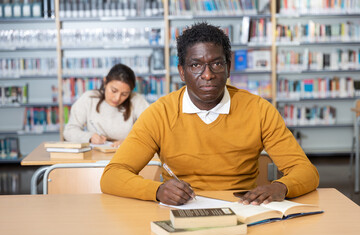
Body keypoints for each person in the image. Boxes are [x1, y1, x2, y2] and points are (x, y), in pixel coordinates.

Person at [100, 22, 319, 205]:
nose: (207, 75)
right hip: (179, 210)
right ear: (182, 72)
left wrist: (281, 187)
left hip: (242, 208)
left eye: (216, 64)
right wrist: (157, 191)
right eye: (196, 65)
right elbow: (112, 176)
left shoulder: (259, 110)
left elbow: (306, 172)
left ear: (228, 67)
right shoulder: (160, 113)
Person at [63, 63, 149, 147]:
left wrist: (132, 140)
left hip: (126, 155)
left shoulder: (137, 101)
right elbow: (69, 131)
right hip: (95, 156)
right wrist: (89, 137)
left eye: (124, 94)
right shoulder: (89, 99)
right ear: (105, 82)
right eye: (114, 91)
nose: (117, 98)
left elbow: (152, 130)